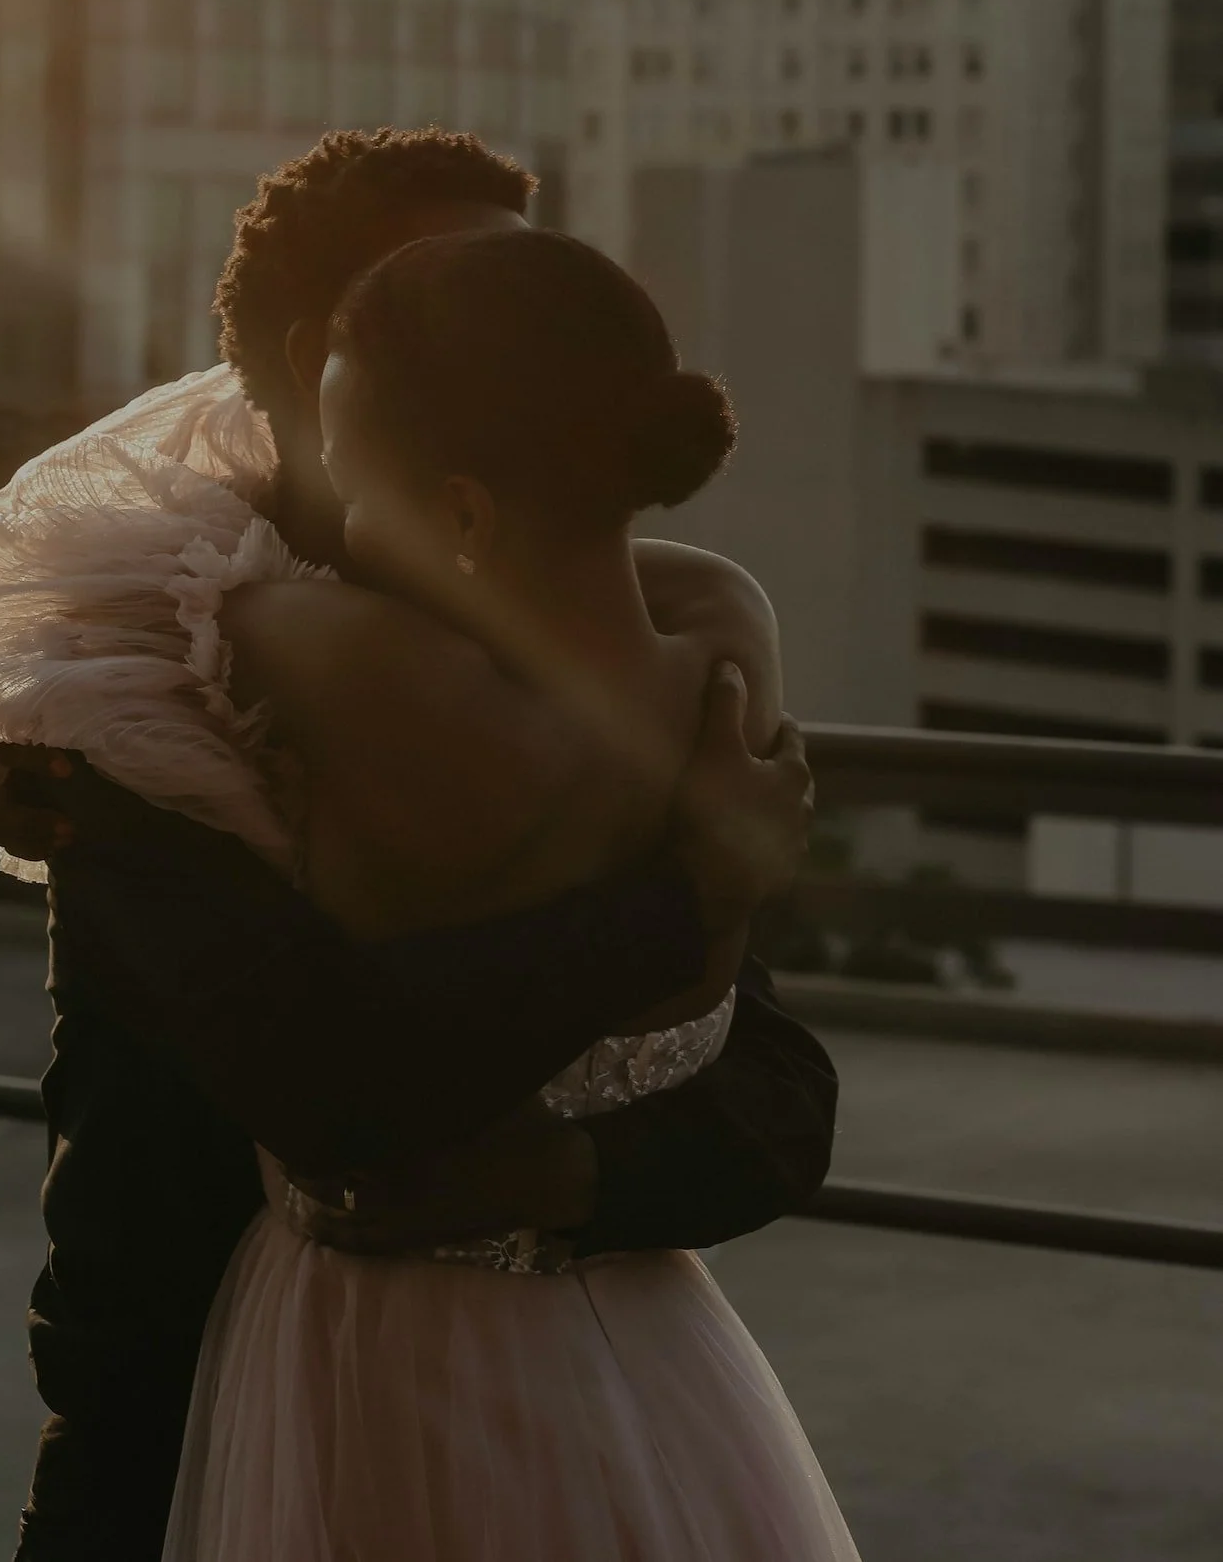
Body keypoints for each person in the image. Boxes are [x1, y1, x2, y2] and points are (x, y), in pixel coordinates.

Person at [0, 130, 833, 1561]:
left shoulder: (628, 630)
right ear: (318, 350)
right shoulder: (139, 680)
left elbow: (767, 1081)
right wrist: (688, 891)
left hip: (570, 1386)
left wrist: (571, 1183)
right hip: (178, 1426)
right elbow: (331, 1078)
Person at [163, 224, 859, 1560]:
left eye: (358, 495)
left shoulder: (344, 658)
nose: (341, 536)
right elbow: (589, 593)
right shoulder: (723, 631)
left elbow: (167, 585)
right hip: (640, 1324)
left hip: (386, 1330)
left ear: (466, 515)